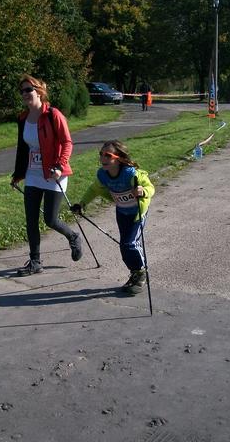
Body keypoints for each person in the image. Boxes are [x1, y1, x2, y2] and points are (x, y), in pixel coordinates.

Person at [11, 74, 82, 276]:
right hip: (33, 174)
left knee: (50, 219)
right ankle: (35, 262)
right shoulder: (23, 118)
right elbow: (22, 148)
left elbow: (67, 143)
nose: (25, 93)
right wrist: (18, 174)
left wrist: (60, 165)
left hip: (53, 174)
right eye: (22, 91)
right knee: (31, 220)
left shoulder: (53, 114)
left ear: (39, 91)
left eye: (28, 89)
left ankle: (73, 236)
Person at [69, 140, 155, 294]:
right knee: (124, 245)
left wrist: (143, 191)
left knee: (130, 243)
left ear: (119, 158)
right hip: (122, 211)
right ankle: (134, 273)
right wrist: (82, 204)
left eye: (108, 155)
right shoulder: (103, 175)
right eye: (101, 154)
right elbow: (94, 189)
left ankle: (141, 273)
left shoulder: (131, 174)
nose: (103, 158)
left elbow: (150, 187)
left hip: (137, 213)